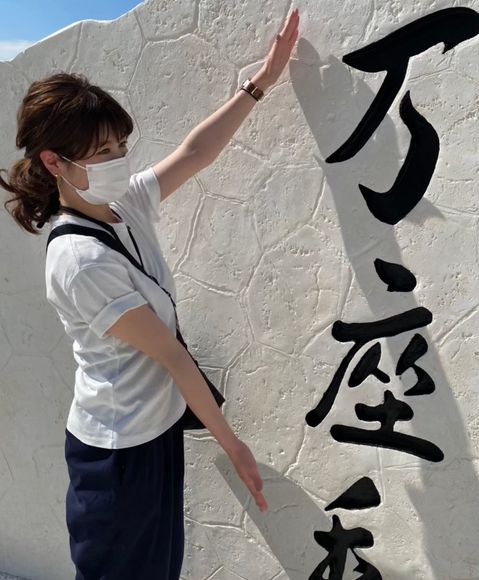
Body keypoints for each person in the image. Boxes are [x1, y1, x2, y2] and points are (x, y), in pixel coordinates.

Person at [0, 7, 299, 579]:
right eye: (102, 153)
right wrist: (232, 445)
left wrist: (261, 83)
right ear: (54, 162)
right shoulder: (79, 260)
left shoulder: (124, 208)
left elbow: (194, 153)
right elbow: (171, 356)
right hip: (117, 455)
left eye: (120, 146)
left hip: (154, 433)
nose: (119, 160)